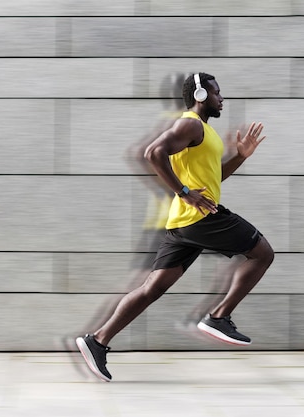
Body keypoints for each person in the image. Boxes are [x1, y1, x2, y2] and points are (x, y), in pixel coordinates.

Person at [76, 72, 274, 382]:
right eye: (216, 93)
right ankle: (218, 317)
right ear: (199, 96)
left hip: (184, 223)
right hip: (201, 217)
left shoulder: (204, 132)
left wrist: (241, 156)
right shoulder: (190, 124)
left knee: (152, 288)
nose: (222, 98)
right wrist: (183, 192)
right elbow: (153, 153)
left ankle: (97, 340)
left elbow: (213, 178)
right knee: (262, 253)